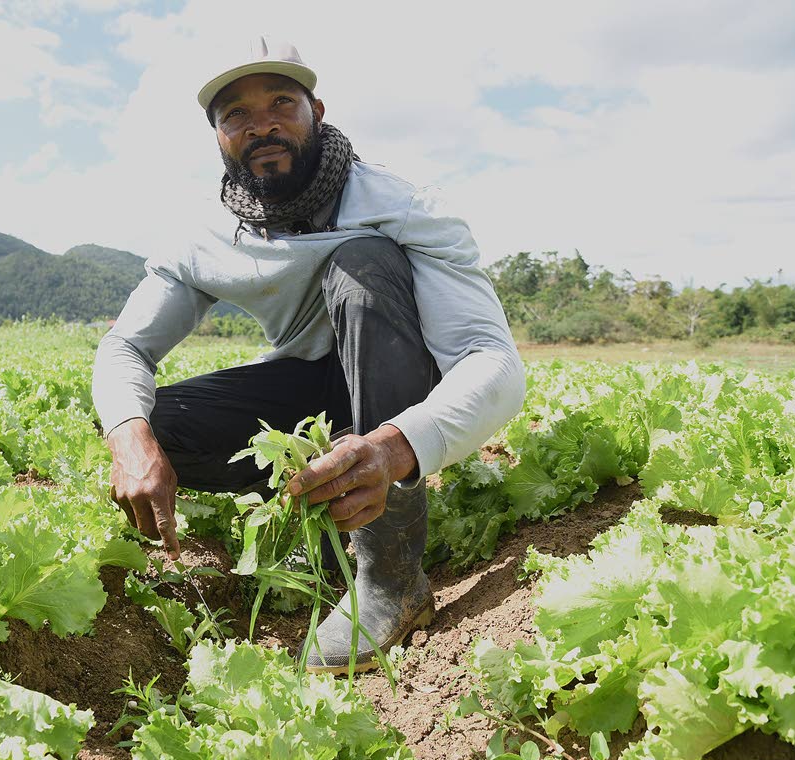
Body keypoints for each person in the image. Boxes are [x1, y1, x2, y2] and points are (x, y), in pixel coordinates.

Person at [92, 37, 526, 674]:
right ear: (216, 134)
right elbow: (126, 346)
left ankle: (389, 578)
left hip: (400, 382)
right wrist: (131, 441)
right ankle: (321, 523)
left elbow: (493, 359)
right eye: (235, 113)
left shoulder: (399, 206)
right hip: (307, 388)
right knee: (145, 422)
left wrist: (393, 447)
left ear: (316, 111)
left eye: (280, 103)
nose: (261, 124)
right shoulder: (205, 235)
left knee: (363, 264)